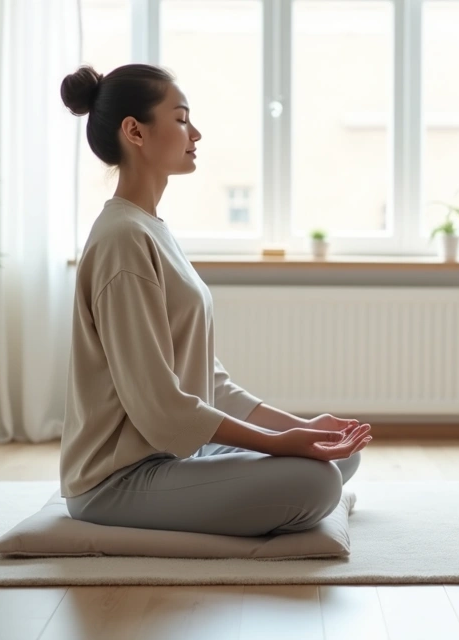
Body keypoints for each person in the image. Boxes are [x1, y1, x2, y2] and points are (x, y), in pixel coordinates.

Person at [57, 63, 372, 538]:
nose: (195, 132)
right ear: (134, 131)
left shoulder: (150, 228)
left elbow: (210, 382)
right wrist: (278, 444)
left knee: (340, 455)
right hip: (117, 478)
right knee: (317, 483)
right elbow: (162, 407)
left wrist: (299, 429)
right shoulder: (123, 239)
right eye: (181, 118)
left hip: (174, 453)